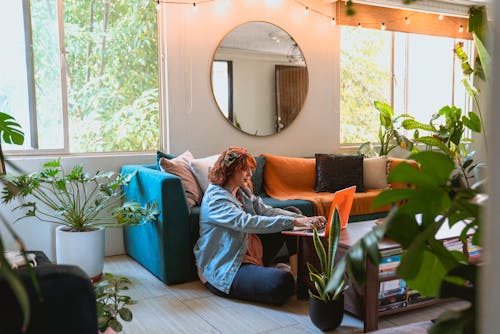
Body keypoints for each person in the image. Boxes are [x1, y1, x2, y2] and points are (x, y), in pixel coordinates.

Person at [194, 147, 326, 305]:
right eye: (245, 170)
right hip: (228, 266)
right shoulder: (216, 198)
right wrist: (294, 222)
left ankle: (297, 276)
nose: (250, 174)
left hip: (250, 250)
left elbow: (266, 212)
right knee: (281, 283)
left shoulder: (241, 191)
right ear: (230, 170)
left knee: (291, 212)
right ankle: (286, 277)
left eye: (250, 169)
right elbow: (246, 222)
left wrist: (305, 219)